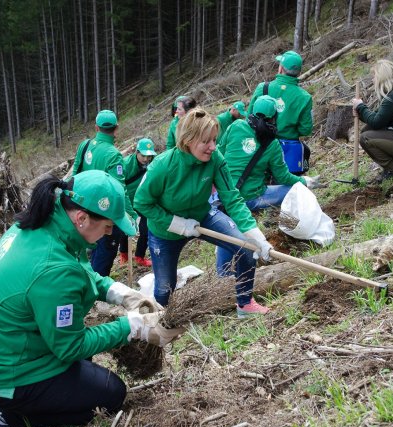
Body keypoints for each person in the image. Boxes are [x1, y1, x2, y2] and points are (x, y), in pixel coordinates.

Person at [0, 170, 182, 427]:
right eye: (108, 227)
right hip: (0, 372)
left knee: (86, 368)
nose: (110, 234)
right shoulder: (52, 270)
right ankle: (10, 418)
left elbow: (80, 268)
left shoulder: (46, 223)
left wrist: (119, 292)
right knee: (112, 395)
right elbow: (70, 346)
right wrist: (133, 327)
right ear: (82, 218)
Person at [135, 107, 274, 318]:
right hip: (166, 231)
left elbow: (232, 197)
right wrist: (177, 224)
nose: (212, 147)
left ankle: (245, 305)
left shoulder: (215, 158)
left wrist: (254, 233)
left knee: (246, 248)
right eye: (206, 141)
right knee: (165, 289)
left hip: (202, 215)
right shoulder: (163, 166)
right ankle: (160, 321)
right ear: (188, 140)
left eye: (214, 140)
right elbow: (142, 202)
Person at [215, 96, 323, 276]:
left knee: (229, 230)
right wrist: (305, 181)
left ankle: (222, 275)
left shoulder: (235, 127)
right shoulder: (272, 145)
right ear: (274, 118)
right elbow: (282, 176)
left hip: (225, 195)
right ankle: (292, 228)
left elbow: (219, 152)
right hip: (253, 197)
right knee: (293, 191)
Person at [63, 109, 136, 277]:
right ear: (116, 129)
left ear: (96, 128)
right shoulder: (113, 155)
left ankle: (84, 282)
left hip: (82, 208)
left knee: (86, 250)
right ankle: (95, 292)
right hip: (105, 211)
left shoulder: (85, 145)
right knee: (104, 255)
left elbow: (75, 173)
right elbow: (120, 189)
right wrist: (131, 215)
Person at [248, 50, 313, 174]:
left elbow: (249, 117)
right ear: (299, 72)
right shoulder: (305, 97)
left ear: (281, 68)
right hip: (288, 154)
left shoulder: (263, 88)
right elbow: (306, 130)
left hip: (261, 149)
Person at [118, 138, 157, 267]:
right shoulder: (125, 164)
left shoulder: (152, 165)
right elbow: (118, 184)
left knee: (145, 229)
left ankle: (140, 256)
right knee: (125, 229)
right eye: (143, 155)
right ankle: (123, 254)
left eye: (149, 156)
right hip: (125, 201)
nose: (146, 159)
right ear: (137, 152)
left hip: (141, 201)